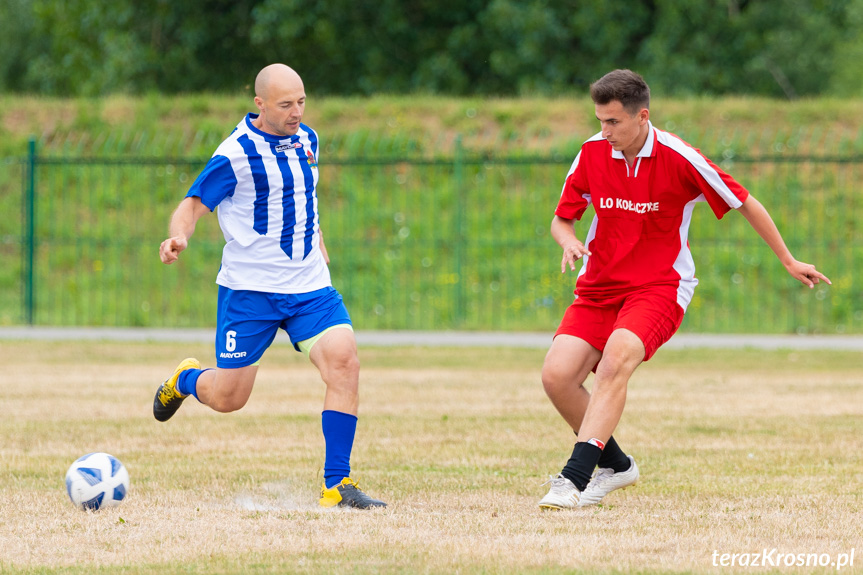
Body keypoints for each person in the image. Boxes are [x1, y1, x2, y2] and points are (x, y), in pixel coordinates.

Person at [538, 69, 830, 510]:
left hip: (659, 287)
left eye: (613, 121)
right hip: (599, 287)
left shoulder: (679, 157)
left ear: (642, 116)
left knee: (616, 361)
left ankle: (573, 479)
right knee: (557, 377)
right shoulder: (592, 153)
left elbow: (744, 200)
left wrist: (787, 259)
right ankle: (617, 466)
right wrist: (569, 241)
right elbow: (563, 217)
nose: (604, 131)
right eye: (600, 120)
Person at [154, 63, 386, 510]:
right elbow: (193, 203)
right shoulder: (235, 154)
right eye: (285, 105)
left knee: (345, 363)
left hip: (308, 285)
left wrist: (316, 238)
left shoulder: (308, 140)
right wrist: (178, 235)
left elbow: (302, 197)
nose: (296, 112)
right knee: (228, 398)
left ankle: (337, 485)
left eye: (301, 101)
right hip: (250, 291)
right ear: (259, 104)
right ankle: (184, 379)